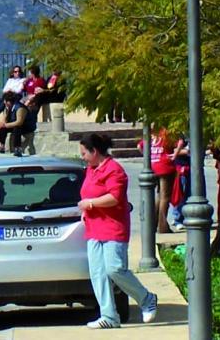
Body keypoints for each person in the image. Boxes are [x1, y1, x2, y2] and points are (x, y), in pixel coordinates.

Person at [78, 132, 158, 329]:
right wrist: (86, 210)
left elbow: (114, 198)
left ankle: (146, 298)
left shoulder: (114, 170)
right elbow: (88, 192)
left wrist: (90, 203)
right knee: (98, 273)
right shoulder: (91, 170)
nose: (82, 157)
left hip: (113, 228)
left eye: (84, 153)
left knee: (114, 269)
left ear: (94, 151)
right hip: (94, 228)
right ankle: (109, 316)